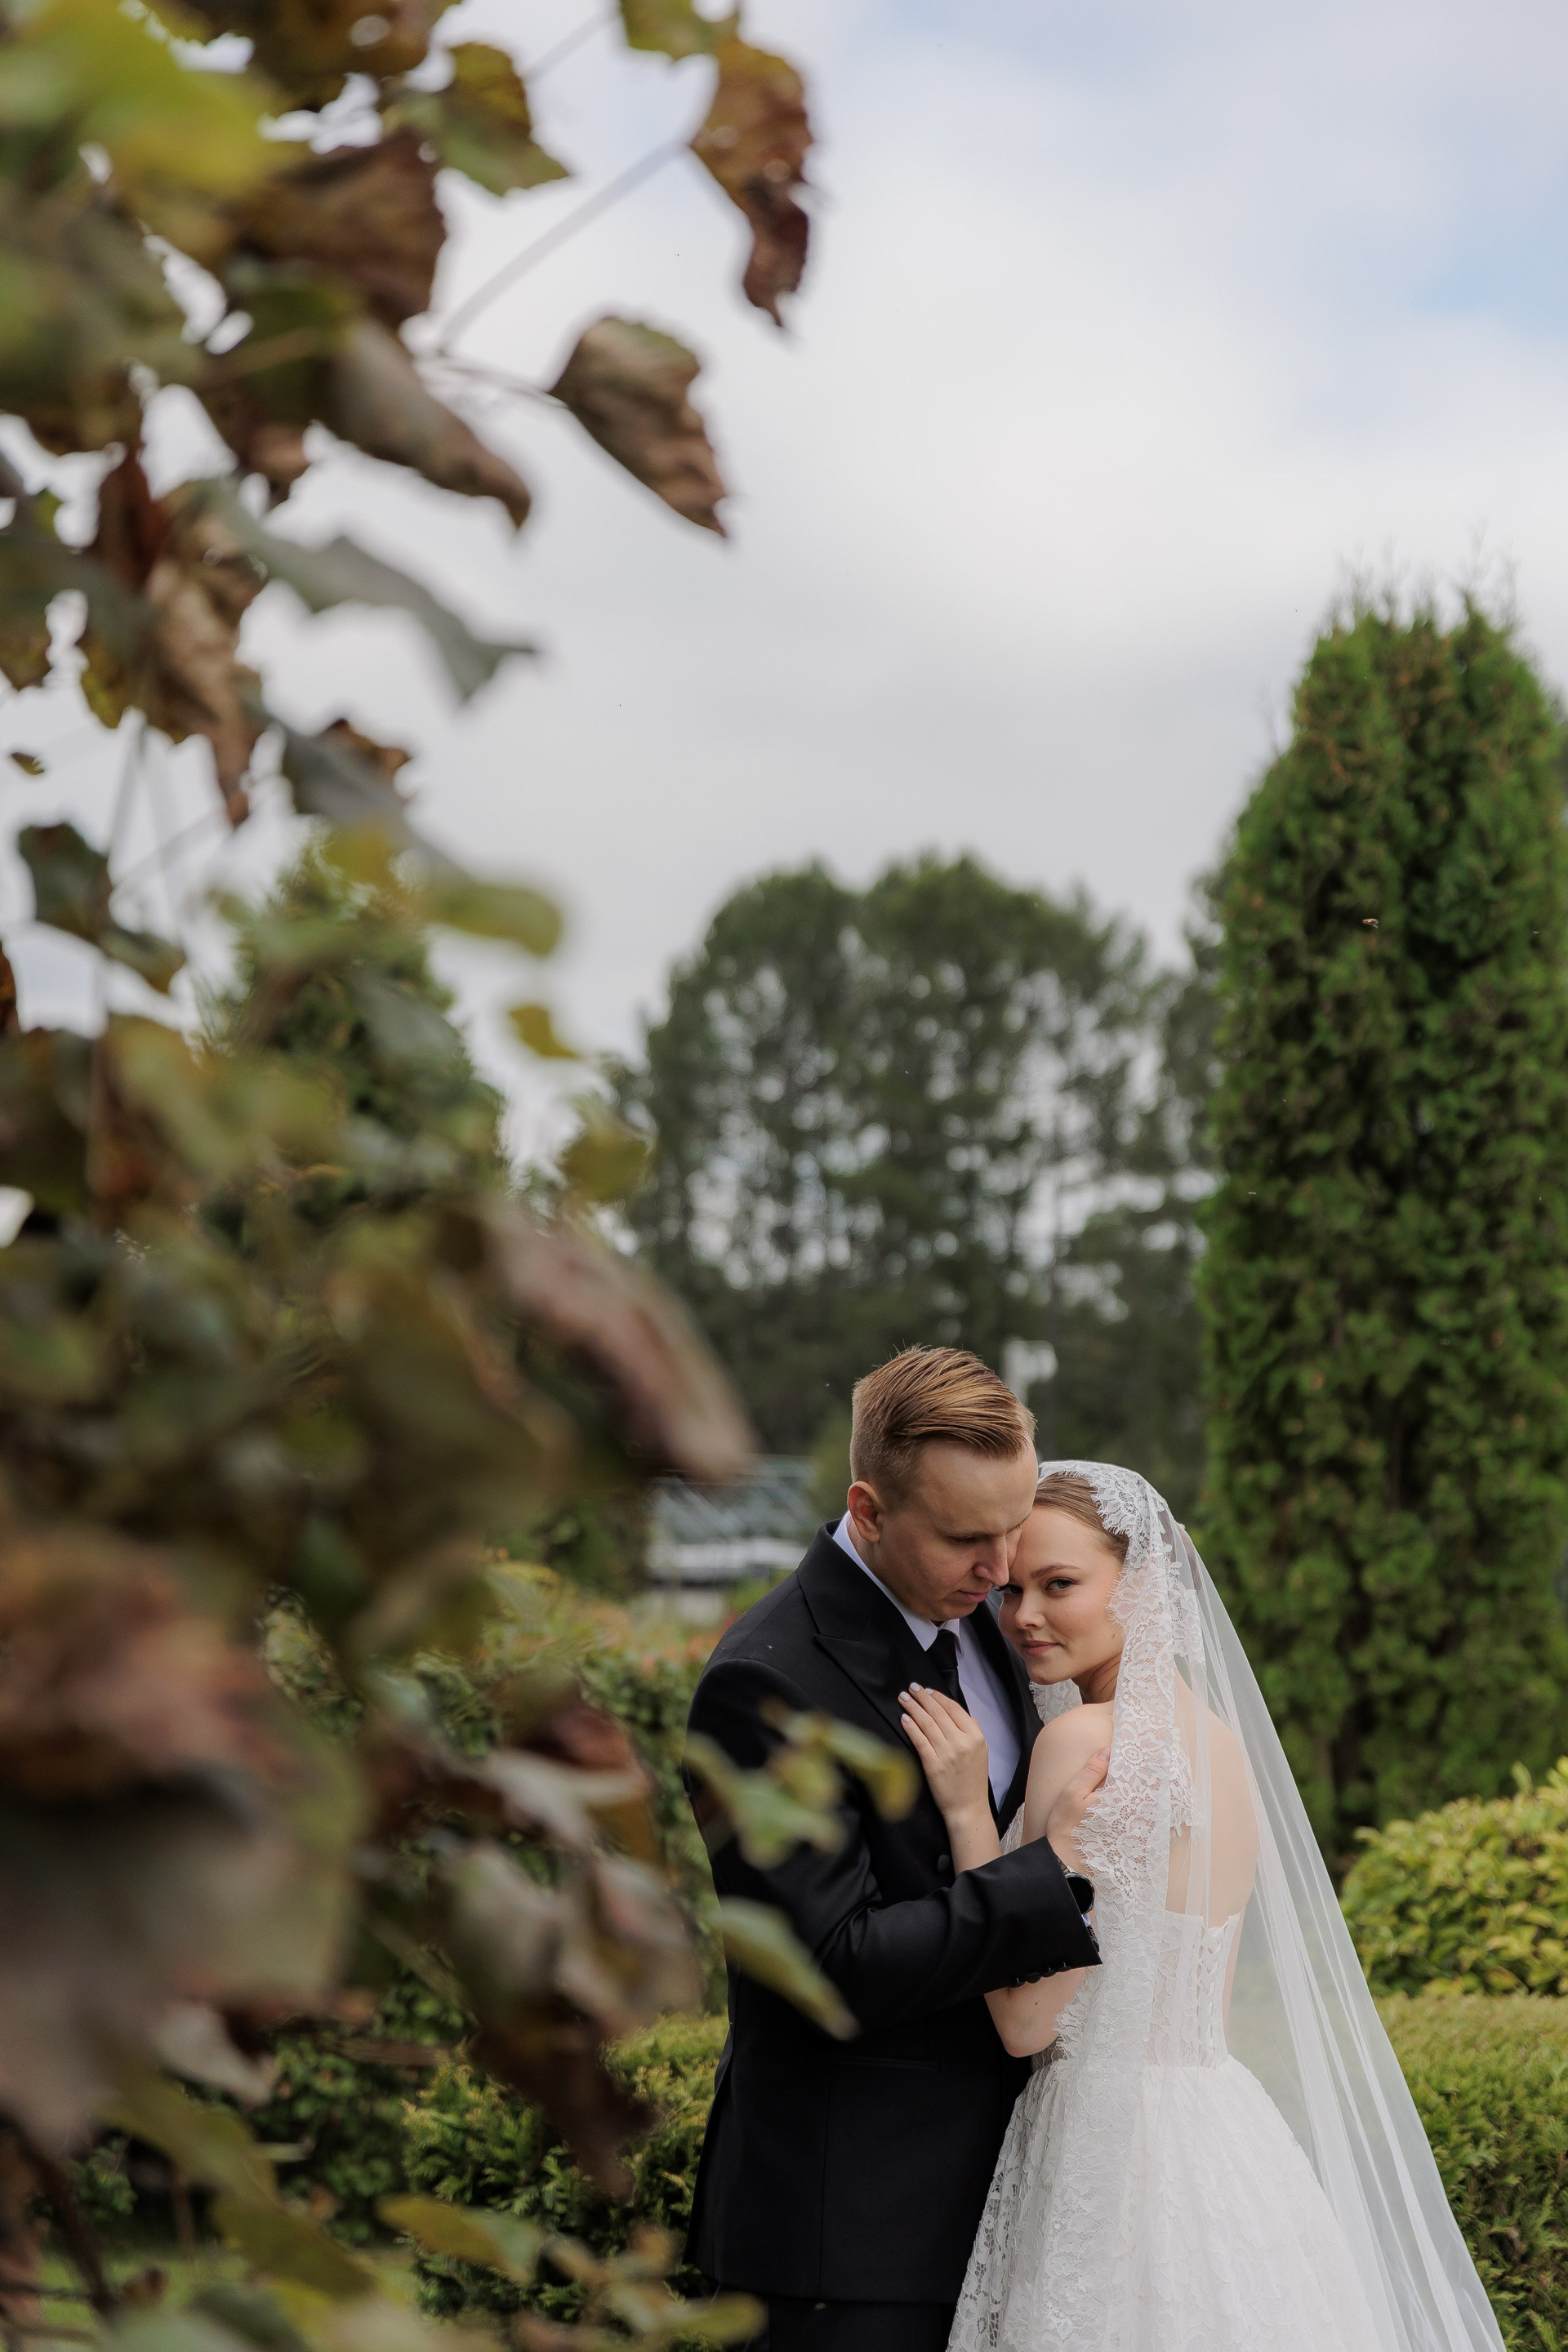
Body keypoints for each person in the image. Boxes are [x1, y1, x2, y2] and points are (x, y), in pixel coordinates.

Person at [900, 1460, 1508, 2352]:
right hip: (1224, 2136)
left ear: (1144, 1586)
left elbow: (1025, 2024)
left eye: (1059, 1585)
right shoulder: (1223, 1748)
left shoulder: (1080, 1740)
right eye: (1013, 1589)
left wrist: (964, 1813)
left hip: (1107, 2150)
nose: (1024, 1615)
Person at [684, 1350, 1108, 2352]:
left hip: (1013, 2217)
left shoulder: (996, 1624)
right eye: (965, 1538)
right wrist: (1048, 1880)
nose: (1000, 1570)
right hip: (847, 2244)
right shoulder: (766, 1684)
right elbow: (830, 1964)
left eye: (1013, 1527)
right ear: (868, 1511)